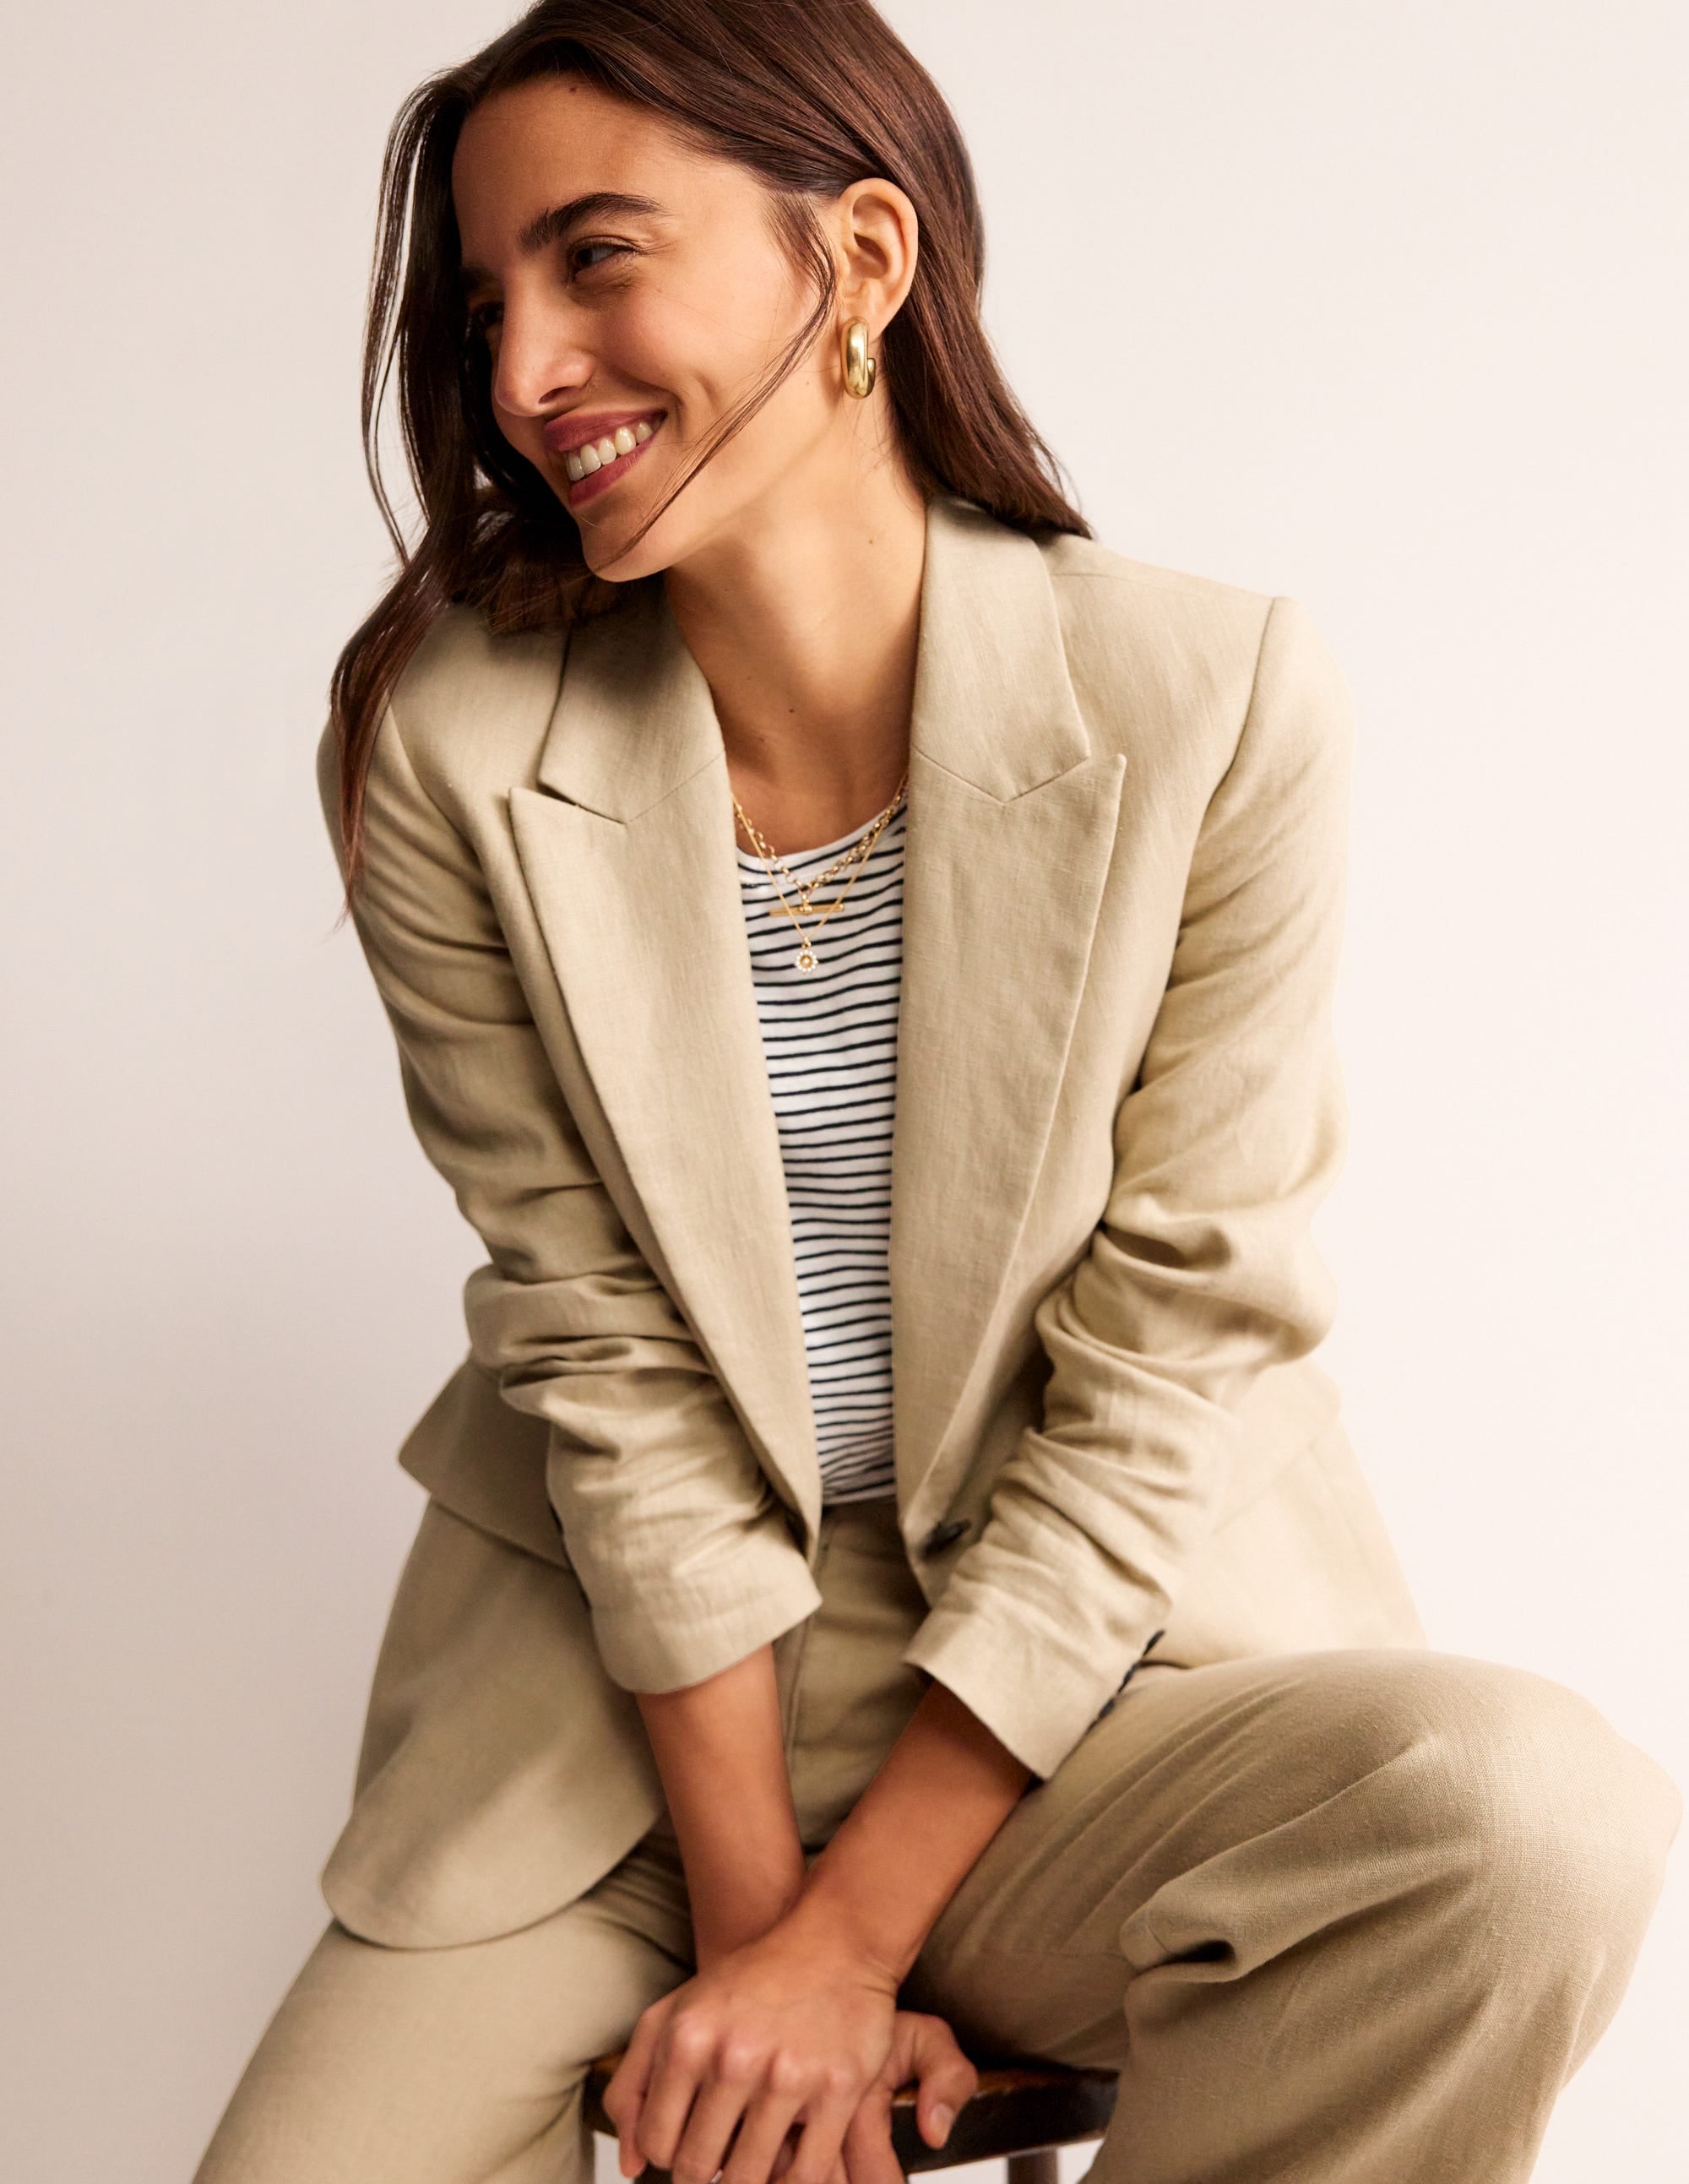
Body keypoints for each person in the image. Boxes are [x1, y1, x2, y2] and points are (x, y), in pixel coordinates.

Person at [192, 4, 1681, 2181]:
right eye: (488, 304)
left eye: (602, 260)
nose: (523, 377)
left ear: (860, 261)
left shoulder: (1209, 699)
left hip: (1095, 1697)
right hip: (622, 1735)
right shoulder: (457, 746)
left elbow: (1177, 1344)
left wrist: (855, 1943)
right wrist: (767, 1953)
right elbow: (599, 1345)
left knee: (1523, 1822)